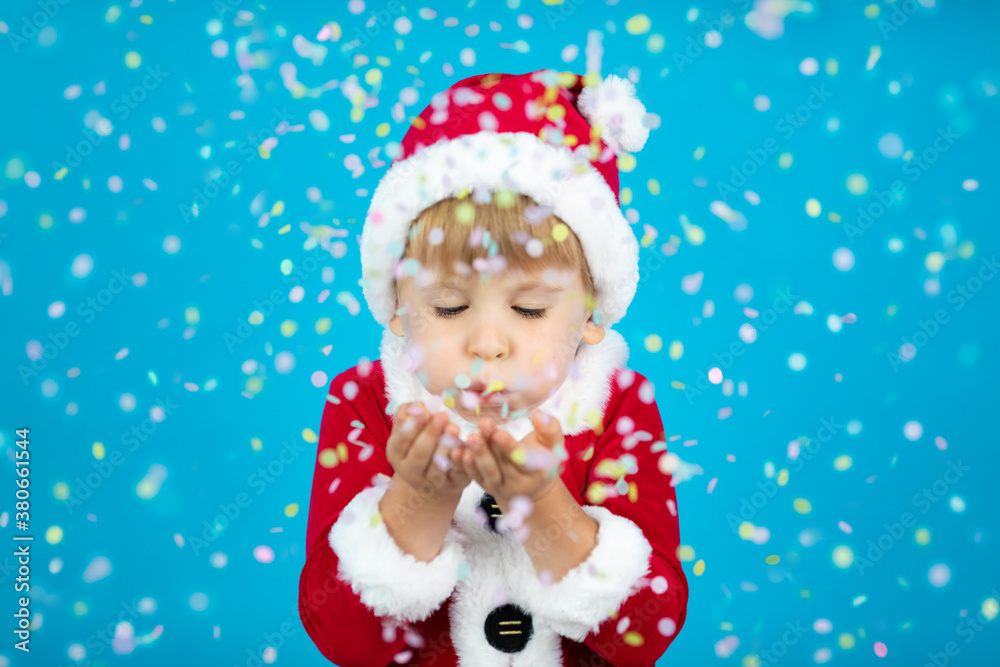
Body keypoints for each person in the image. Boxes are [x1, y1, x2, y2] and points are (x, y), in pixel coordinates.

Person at [299, 69, 689, 666]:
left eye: (529, 309)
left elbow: (646, 631)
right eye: (449, 305)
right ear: (399, 306)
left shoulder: (619, 404)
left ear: (591, 313)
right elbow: (340, 636)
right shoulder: (365, 402)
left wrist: (543, 505)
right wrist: (418, 500)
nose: (487, 344)